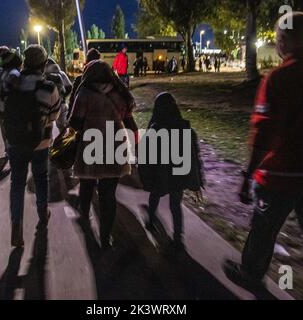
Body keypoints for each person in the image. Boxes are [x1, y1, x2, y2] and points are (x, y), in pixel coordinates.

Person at [224, 12, 303, 300]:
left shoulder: (279, 78)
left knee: (264, 230)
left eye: (277, 38)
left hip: (281, 177)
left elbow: (263, 135)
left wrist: (247, 177)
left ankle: (250, 273)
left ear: (283, 39)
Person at [69, 60, 138, 250]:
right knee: (108, 195)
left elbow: (74, 123)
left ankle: (84, 215)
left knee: (86, 183)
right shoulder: (119, 93)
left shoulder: (84, 93)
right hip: (115, 148)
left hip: (90, 146)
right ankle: (106, 237)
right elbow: (130, 122)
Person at [2, 45, 61, 247]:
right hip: (41, 142)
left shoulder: (10, 83)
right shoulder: (49, 87)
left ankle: (16, 226)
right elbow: (55, 115)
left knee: (17, 183)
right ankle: (43, 212)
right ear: (44, 64)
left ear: (25, 62)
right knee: (41, 178)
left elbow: (2, 108)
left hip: (15, 142)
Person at [139, 93, 204, 251]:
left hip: (160, 176)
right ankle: (178, 239)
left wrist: (145, 177)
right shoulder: (186, 129)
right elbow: (194, 159)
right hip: (178, 177)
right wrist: (197, 183)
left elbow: (145, 157)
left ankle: (151, 220)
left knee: (154, 196)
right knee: (176, 206)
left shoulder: (154, 131)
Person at [69, 48, 101, 120]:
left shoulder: (79, 79)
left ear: (87, 61)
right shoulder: (104, 79)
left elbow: (72, 101)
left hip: (83, 120)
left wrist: (69, 118)